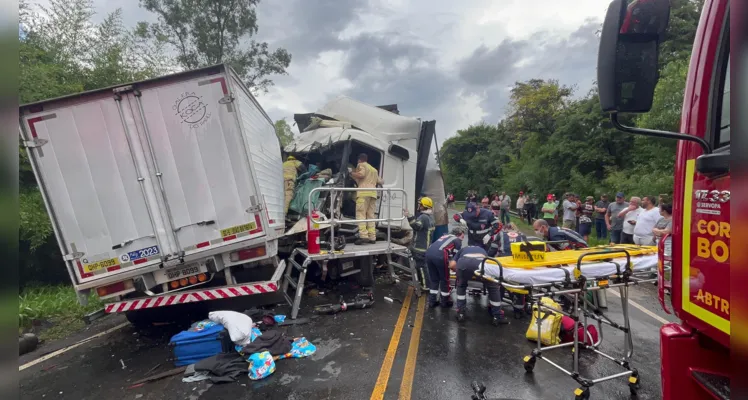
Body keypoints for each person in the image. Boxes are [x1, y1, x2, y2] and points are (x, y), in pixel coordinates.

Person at [452, 245, 509, 325]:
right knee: (493, 287)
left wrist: (459, 273)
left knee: (461, 285)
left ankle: (460, 313)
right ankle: (497, 316)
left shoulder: (462, 250)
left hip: (463, 263)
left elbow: (452, 265)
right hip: (480, 263)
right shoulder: (482, 250)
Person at [425, 227, 466, 308]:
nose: (463, 238)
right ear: (458, 235)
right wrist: (454, 268)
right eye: (462, 236)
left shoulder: (444, 236)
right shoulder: (457, 240)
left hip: (428, 254)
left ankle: (432, 301)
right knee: (445, 279)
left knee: (434, 279)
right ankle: (445, 301)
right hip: (440, 256)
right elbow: (455, 257)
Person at [350, 153, 384, 245]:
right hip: (373, 194)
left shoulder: (361, 165)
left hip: (363, 193)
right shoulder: (374, 170)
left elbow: (361, 175)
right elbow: (381, 181)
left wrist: (351, 173)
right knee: (370, 215)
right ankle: (372, 237)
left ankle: (363, 236)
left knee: (360, 214)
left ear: (359, 160)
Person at [407, 197, 435, 281]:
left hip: (420, 249)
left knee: (421, 268)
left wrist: (409, 216)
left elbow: (417, 226)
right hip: (425, 248)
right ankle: (422, 282)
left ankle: (426, 287)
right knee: (422, 267)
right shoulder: (430, 218)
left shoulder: (423, 217)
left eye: (420, 204)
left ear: (424, 206)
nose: (418, 206)